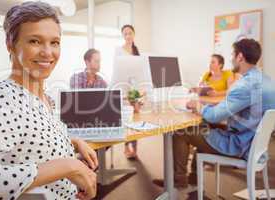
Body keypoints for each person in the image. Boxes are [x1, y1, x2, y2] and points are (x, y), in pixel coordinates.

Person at [0, 2, 98, 200]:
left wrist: (73, 142)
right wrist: (70, 166)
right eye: (35, 41)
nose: (48, 53)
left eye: (55, 42)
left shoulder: (44, 98)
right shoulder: (4, 99)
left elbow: (31, 139)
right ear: (10, 44)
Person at [154, 39, 275, 188]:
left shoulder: (244, 85)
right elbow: (243, 107)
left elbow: (213, 116)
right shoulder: (267, 80)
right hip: (255, 144)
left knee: (181, 131)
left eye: (232, 55)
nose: (231, 59)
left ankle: (178, 180)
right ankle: (193, 177)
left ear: (240, 57)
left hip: (240, 145)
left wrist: (198, 106)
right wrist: (216, 106)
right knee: (204, 127)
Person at [115, 24, 140, 159]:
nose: (128, 36)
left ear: (134, 34)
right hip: (123, 87)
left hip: (134, 87)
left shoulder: (137, 51)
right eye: (125, 34)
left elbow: (138, 71)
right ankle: (126, 147)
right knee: (126, 118)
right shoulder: (119, 50)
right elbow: (118, 70)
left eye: (130, 33)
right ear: (123, 36)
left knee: (135, 118)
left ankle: (135, 149)